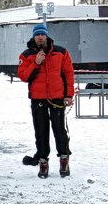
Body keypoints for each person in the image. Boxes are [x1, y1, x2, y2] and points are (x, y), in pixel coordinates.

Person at [16, 23, 75, 179]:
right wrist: (36, 62)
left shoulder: (61, 52)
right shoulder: (26, 55)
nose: (40, 37)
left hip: (57, 97)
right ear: (34, 37)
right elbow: (23, 76)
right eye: (37, 35)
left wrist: (69, 95)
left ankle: (64, 159)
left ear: (46, 36)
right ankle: (43, 162)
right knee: (41, 131)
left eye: (42, 34)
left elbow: (68, 74)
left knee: (59, 130)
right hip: (38, 98)